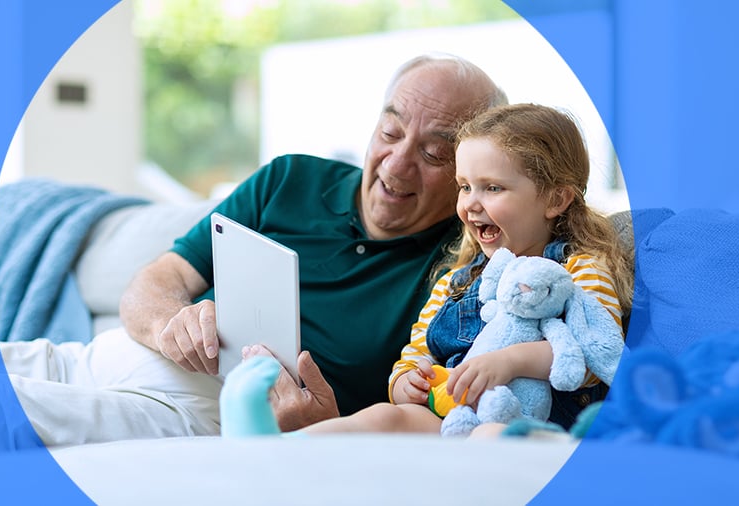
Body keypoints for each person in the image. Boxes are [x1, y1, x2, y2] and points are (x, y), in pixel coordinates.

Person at [0, 53, 509, 470]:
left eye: (433, 151)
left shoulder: (457, 271)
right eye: (391, 133)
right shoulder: (290, 179)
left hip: (195, 416)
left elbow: (419, 425)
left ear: (469, 170)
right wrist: (172, 318)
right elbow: (154, 284)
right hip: (88, 358)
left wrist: (324, 427)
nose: (396, 164)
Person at [218, 103, 633, 437]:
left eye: (493, 188)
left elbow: (597, 353)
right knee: (383, 417)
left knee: (492, 440)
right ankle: (276, 450)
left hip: (534, 423)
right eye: (465, 186)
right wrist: (406, 384)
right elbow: (415, 352)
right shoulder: (458, 281)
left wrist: (512, 362)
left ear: (555, 199)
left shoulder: (580, 268)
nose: (470, 202)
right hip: (451, 418)